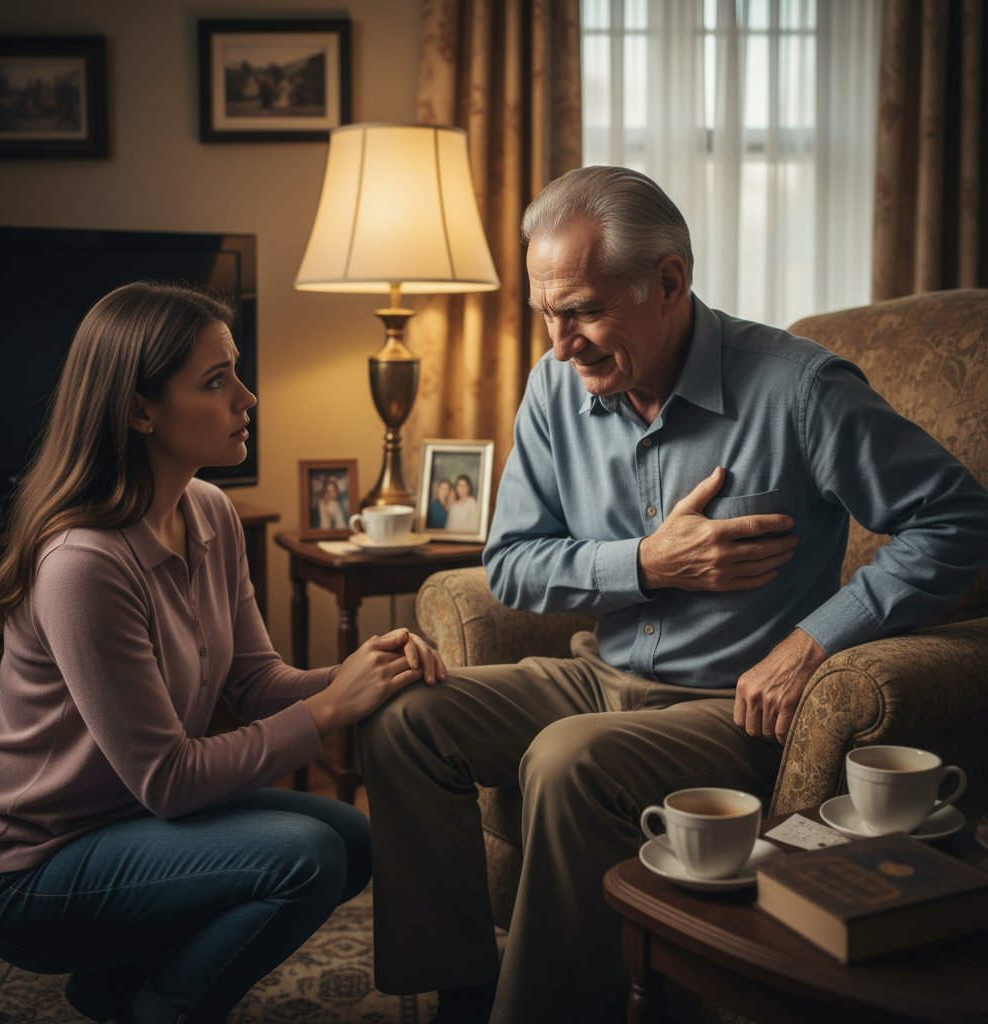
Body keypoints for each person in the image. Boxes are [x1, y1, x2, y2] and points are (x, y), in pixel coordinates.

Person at [357, 166, 988, 1024]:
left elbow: (957, 519)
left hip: (728, 706)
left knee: (565, 758)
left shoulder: (801, 389)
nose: (559, 343)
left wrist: (814, 641)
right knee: (402, 719)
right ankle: (460, 995)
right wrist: (647, 563)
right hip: (596, 669)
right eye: (547, 312)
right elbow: (510, 563)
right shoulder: (554, 388)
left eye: (581, 310)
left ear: (669, 281)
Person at [0, 281, 445, 1024]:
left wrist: (369, 672)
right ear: (138, 409)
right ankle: (165, 1010)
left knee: (350, 839)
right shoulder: (83, 564)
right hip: (33, 866)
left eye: (237, 373)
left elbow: (255, 683)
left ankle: (114, 985)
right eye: (217, 381)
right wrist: (326, 709)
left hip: (125, 823)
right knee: (301, 857)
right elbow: (167, 779)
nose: (247, 397)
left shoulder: (210, 512)